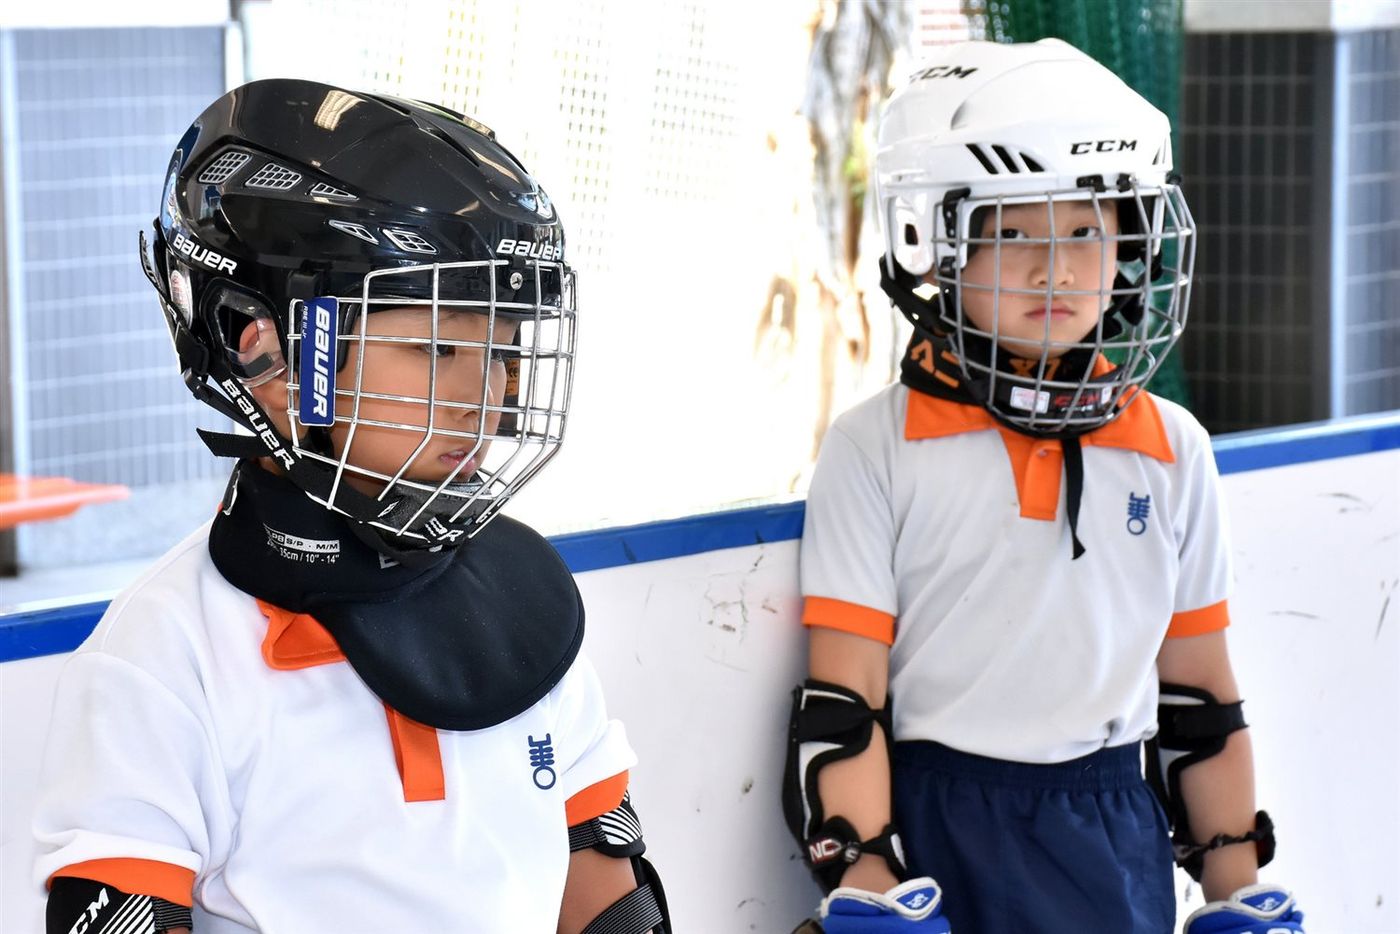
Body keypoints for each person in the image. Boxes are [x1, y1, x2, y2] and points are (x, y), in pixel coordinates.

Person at [33, 79, 668, 934]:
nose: (485, 397)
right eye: (437, 348)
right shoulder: (164, 658)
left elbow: (607, 900)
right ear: (266, 355)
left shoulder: (523, 606)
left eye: (504, 350)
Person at [782, 40, 1305, 933]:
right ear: (935, 243)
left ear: (1134, 242)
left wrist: (1236, 889)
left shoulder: (1173, 449)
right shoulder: (876, 447)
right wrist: (867, 876)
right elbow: (845, 701)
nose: (1055, 269)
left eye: (1087, 232)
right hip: (939, 829)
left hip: (1115, 834)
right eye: (1015, 231)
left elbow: (1198, 701)